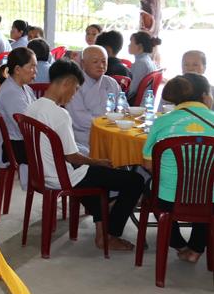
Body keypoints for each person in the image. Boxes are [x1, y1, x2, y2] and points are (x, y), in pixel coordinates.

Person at [23, 60, 142, 251]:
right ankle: (111, 234)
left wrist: (92, 162)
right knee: (134, 181)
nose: (73, 95)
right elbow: (72, 157)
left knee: (95, 175)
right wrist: (97, 161)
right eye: (76, 89)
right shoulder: (59, 114)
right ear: (67, 83)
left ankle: (102, 230)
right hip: (63, 177)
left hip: (42, 173)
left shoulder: (32, 107)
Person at [142, 74, 214, 263]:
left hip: (168, 200)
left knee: (151, 188)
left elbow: (148, 165)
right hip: (210, 201)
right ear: (205, 96)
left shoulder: (161, 122)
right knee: (206, 190)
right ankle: (197, 248)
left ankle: (178, 243)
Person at [65, 46, 122, 153]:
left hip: (111, 131)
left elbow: (123, 107)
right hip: (84, 137)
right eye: (95, 62)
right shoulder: (74, 84)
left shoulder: (111, 82)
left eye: (104, 61)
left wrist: (116, 122)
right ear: (83, 63)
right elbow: (79, 118)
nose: (101, 66)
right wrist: (107, 123)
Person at [0, 47, 36, 167]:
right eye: (31, 67)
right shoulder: (11, 93)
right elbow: (25, 127)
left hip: (22, 140)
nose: (35, 71)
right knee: (58, 151)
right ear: (17, 69)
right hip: (13, 145)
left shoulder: (25, 88)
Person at [126, 31, 161, 100]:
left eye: (131, 43)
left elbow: (131, 90)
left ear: (139, 47)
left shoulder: (141, 63)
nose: (128, 45)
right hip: (145, 100)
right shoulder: (148, 60)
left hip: (136, 102)